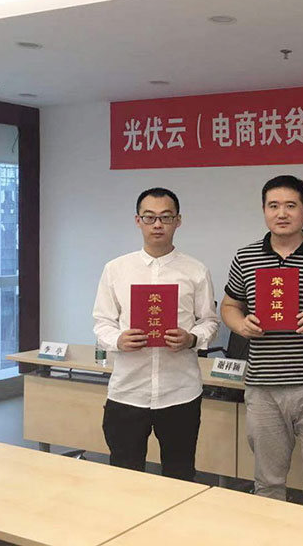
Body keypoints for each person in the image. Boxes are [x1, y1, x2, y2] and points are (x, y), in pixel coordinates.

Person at [221, 175, 303, 512]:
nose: (282, 213)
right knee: (267, 482)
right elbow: (229, 305)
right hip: (264, 387)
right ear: (264, 210)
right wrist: (241, 325)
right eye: (274, 206)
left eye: (290, 206)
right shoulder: (246, 257)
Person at [93, 187, 218, 481]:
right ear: (138, 221)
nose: (158, 224)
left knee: (179, 474)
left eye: (166, 217)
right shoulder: (116, 269)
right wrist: (118, 340)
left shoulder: (196, 270)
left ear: (178, 220)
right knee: (124, 475)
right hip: (128, 391)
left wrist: (192, 338)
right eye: (149, 217)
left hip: (180, 392)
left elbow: (209, 321)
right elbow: (102, 322)